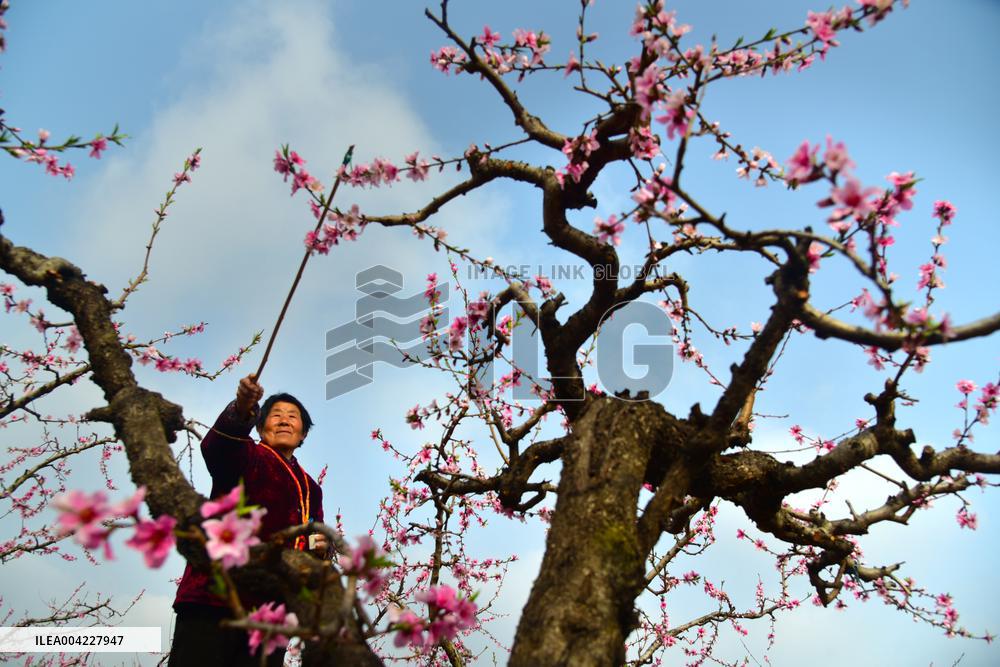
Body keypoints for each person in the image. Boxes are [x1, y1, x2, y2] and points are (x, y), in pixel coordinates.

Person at [169, 374, 326, 666]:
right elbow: (217, 450)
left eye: (293, 417)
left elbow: (313, 537)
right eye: (275, 415)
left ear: (303, 433)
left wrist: (320, 549)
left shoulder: (311, 488)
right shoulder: (248, 454)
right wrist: (240, 409)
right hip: (215, 597)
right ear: (259, 427)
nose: (283, 420)